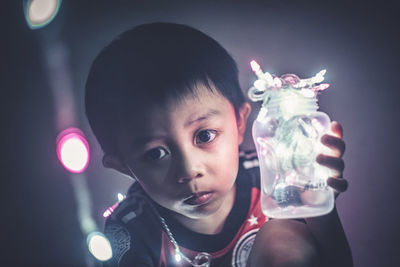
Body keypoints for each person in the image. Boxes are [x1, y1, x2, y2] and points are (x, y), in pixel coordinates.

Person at [85, 22, 353, 267]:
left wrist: (320, 204)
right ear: (123, 166)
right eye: (156, 153)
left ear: (239, 123)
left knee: (282, 239)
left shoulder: (273, 180)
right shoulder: (132, 229)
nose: (190, 170)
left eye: (204, 136)